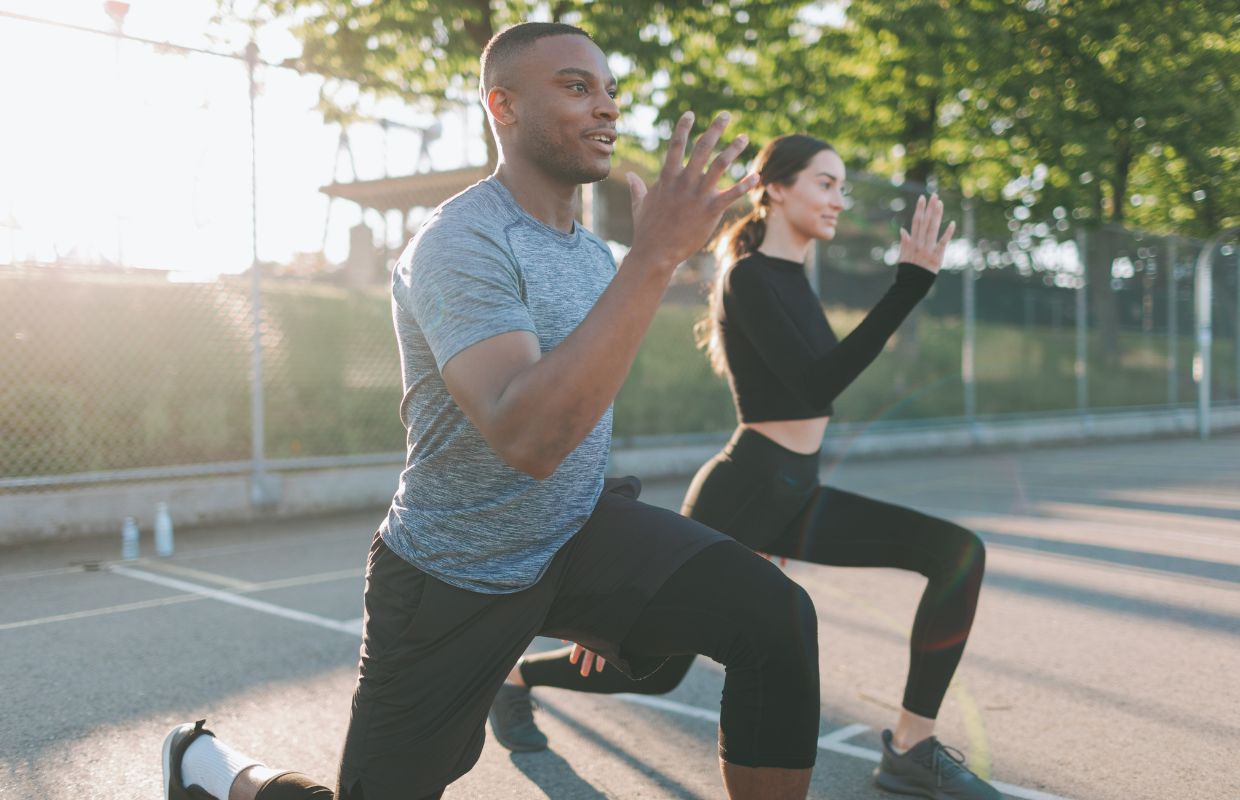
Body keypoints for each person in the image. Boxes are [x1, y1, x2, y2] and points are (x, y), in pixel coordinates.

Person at [161, 23, 824, 800]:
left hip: (575, 537)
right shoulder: (459, 243)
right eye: (577, 88)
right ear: (502, 105)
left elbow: (580, 414)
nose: (606, 107)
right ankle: (209, 769)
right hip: (454, 574)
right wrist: (655, 257)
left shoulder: (586, 253)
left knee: (776, 619)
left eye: (610, 90)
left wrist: (615, 589)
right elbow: (528, 435)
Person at [490, 134, 1001, 800]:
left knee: (956, 552)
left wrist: (910, 286)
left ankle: (910, 747)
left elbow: (817, 386)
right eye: (825, 182)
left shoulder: (792, 279)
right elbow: (816, 387)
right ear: (777, 187)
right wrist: (908, 287)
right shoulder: (750, 277)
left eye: (842, 186)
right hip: (746, 490)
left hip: (798, 491)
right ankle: (514, 680)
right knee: (647, 668)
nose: (838, 199)